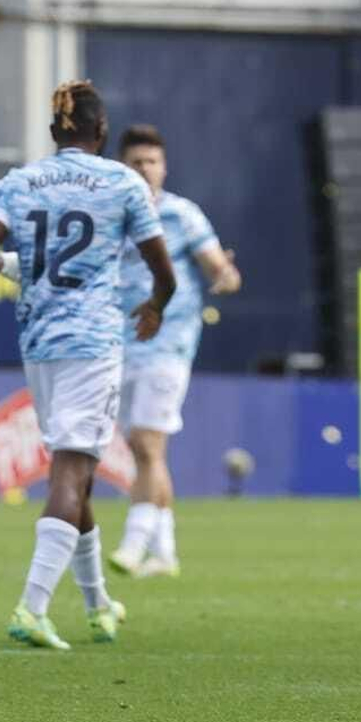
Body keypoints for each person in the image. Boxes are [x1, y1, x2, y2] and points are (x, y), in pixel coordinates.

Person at [0, 79, 175, 650]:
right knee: (72, 474)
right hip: (93, 343)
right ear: (101, 132)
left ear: (54, 132)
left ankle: (99, 603)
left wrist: (20, 265)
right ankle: (32, 606)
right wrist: (155, 307)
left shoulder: (21, 180)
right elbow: (163, 269)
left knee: (73, 476)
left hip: (38, 343)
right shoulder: (121, 181)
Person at [108, 125, 242, 579]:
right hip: (120, 344)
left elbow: (221, 271)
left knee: (147, 442)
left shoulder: (183, 216)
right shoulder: (111, 215)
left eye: (151, 161)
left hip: (170, 342)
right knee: (145, 451)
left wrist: (225, 277)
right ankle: (165, 552)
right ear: (121, 167)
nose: (144, 169)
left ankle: (132, 543)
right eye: (136, 162)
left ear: (164, 167)